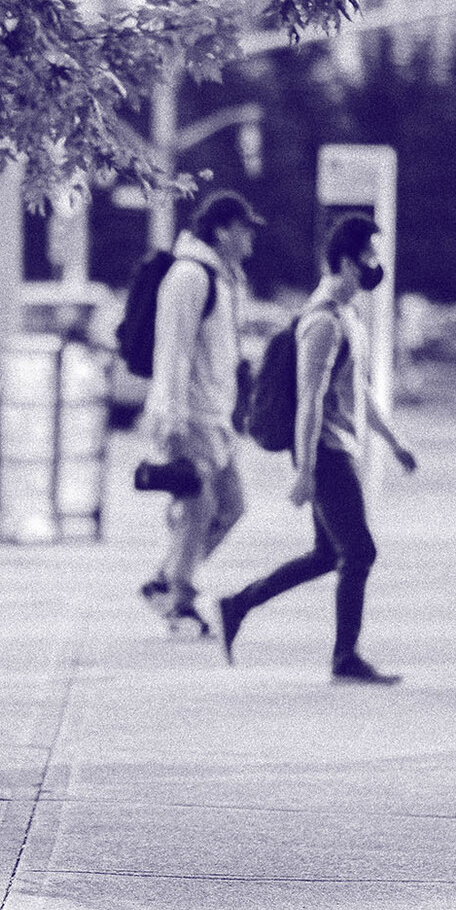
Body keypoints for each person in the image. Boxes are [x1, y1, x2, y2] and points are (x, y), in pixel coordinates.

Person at [216, 214, 418, 683]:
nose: (376, 265)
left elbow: (358, 390)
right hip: (326, 454)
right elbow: (309, 398)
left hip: (339, 446)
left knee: (330, 555)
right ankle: (345, 657)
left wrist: (394, 442)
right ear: (347, 262)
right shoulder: (322, 320)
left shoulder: (348, 315)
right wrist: (305, 470)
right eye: (369, 256)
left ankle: (238, 604)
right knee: (360, 553)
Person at [136, 191, 262, 634]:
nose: (251, 240)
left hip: (217, 417)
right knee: (200, 506)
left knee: (231, 507)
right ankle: (179, 599)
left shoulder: (224, 279)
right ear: (223, 231)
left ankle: (163, 579)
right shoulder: (190, 276)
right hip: (190, 416)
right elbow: (174, 350)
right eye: (245, 230)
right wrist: (172, 418)